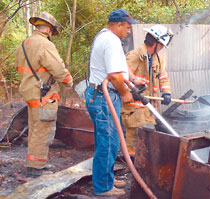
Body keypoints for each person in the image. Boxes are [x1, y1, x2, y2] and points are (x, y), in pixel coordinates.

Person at [84, 9, 137, 197]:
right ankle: (103, 187)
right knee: (108, 142)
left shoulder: (106, 37)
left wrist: (133, 80)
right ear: (118, 24)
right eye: (128, 27)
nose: (129, 31)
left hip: (101, 96)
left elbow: (120, 66)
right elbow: (114, 75)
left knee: (111, 141)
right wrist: (125, 93)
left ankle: (107, 178)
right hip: (104, 97)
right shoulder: (111, 41)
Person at [15, 12, 73, 178]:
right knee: (43, 129)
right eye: (52, 32)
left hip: (29, 92)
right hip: (44, 95)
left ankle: (34, 162)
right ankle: (35, 167)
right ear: (49, 29)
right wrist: (68, 81)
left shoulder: (24, 44)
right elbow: (57, 68)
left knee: (35, 127)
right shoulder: (45, 45)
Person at [122, 25, 174, 155]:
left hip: (149, 107)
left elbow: (163, 77)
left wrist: (166, 92)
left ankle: (142, 162)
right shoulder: (134, 56)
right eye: (161, 45)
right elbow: (121, 77)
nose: (162, 48)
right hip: (134, 107)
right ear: (154, 43)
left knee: (147, 139)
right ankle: (131, 163)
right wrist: (130, 91)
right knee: (133, 139)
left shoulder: (158, 59)